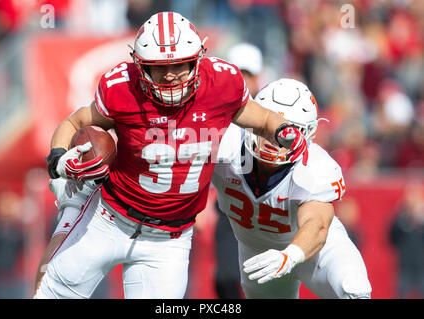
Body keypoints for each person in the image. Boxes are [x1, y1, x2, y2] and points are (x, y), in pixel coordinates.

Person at [34, 12, 308, 299]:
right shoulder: (122, 88)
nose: (169, 75)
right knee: (51, 294)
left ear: (197, 59)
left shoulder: (223, 84)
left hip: (169, 240)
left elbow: (263, 119)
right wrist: (57, 158)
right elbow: (74, 123)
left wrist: (283, 130)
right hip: (108, 219)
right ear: (140, 66)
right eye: (158, 67)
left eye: (179, 65)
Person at [212, 78, 372, 298]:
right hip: (258, 253)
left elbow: (317, 224)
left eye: (291, 130)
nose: (275, 138)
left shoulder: (314, 165)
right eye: (270, 127)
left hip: (314, 250)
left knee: (354, 289)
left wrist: (291, 255)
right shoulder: (223, 144)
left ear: (306, 133)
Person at [212, 42, 264, 299]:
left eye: (247, 74)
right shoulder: (213, 111)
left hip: (266, 209)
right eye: (237, 73)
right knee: (227, 279)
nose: (242, 80)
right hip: (229, 207)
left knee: (265, 281)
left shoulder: (272, 109)